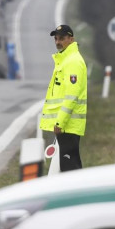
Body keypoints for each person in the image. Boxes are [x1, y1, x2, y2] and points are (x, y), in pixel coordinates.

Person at [41, 24, 87, 171]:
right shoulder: (66, 59)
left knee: (70, 168)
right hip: (67, 124)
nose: (57, 42)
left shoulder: (73, 62)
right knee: (68, 167)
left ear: (71, 39)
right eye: (56, 39)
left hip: (69, 125)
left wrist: (60, 122)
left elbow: (71, 96)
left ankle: (79, 188)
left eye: (61, 38)